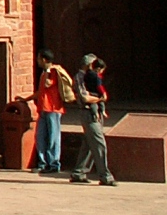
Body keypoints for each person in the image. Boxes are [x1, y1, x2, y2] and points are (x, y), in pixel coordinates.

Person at [71, 54, 117, 186]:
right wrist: (100, 99)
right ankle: (105, 176)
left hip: (94, 113)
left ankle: (79, 172)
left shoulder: (91, 76)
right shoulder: (80, 77)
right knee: (99, 144)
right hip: (88, 113)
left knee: (89, 144)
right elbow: (85, 98)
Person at [32, 48, 76, 174]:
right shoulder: (44, 73)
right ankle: (43, 163)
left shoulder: (53, 72)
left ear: (44, 59)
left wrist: (48, 71)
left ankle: (53, 164)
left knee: (53, 138)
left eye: (39, 58)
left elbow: (48, 84)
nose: (37, 61)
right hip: (43, 108)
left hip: (53, 109)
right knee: (40, 137)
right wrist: (26, 98)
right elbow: (41, 91)